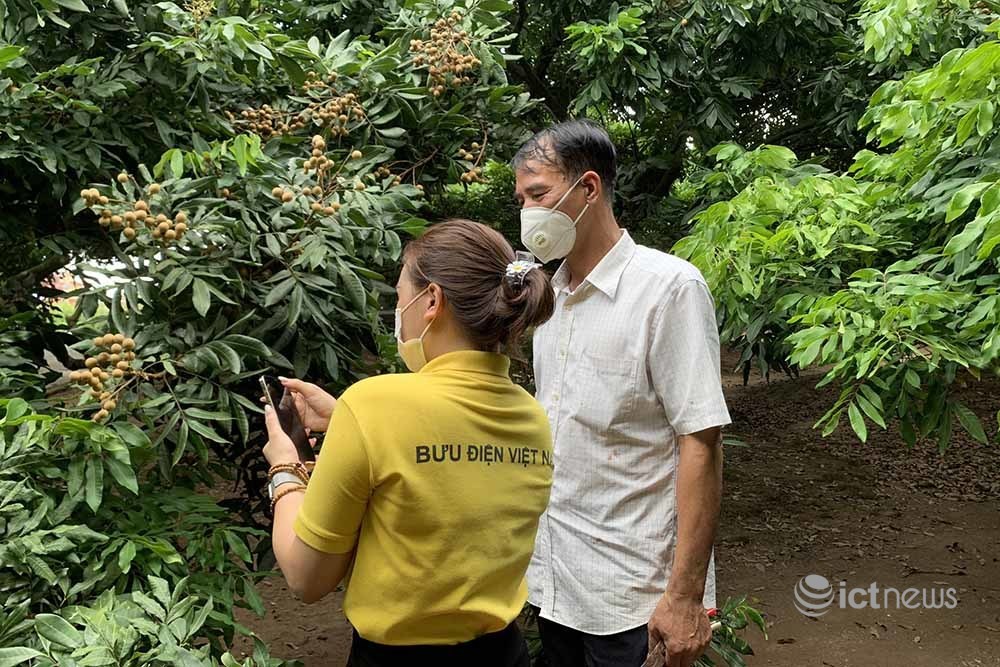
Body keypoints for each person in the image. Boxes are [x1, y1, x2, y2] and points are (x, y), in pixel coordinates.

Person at [260, 219, 556, 666]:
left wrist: (285, 469)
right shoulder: (532, 417)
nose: (400, 312)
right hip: (503, 654)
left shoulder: (375, 406)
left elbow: (307, 577)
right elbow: (451, 480)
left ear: (431, 300)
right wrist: (345, 424)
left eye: (401, 298)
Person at [514, 120, 732, 667]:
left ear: (588, 189)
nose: (528, 212)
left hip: (634, 597)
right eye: (521, 199)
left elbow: (700, 443)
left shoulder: (669, 289)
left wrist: (684, 598)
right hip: (558, 584)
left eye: (538, 193)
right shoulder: (549, 299)